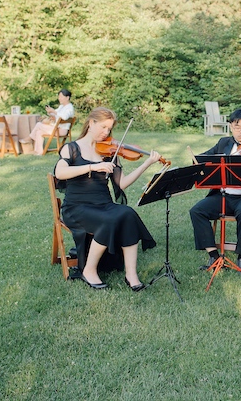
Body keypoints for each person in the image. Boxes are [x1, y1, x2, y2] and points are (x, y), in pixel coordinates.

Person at [54, 107, 162, 291]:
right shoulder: (71, 148)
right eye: (103, 127)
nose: (106, 133)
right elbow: (60, 172)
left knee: (127, 213)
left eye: (109, 129)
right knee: (110, 220)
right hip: (76, 207)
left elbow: (122, 183)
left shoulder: (110, 151)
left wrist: (146, 163)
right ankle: (88, 270)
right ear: (91, 123)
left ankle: (131, 274)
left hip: (103, 204)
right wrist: (92, 168)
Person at [189, 109, 241, 275]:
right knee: (197, 211)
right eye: (237, 126)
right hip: (223, 195)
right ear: (231, 127)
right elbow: (204, 158)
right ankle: (213, 255)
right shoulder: (223, 143)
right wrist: (196, 159)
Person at [24, 89, 75, 155]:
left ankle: (30, 138)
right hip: (56, 128)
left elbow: (64, 117)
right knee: (39, 132)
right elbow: (55, 114)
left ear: (67, 97)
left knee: (39, 124)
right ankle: (38, 152)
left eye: (61, 97)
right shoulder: (62, 106)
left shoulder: (69, 108)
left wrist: (54, 111)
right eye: (59, 97)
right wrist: (50, 112)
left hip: (61, 131)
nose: (59, 98)